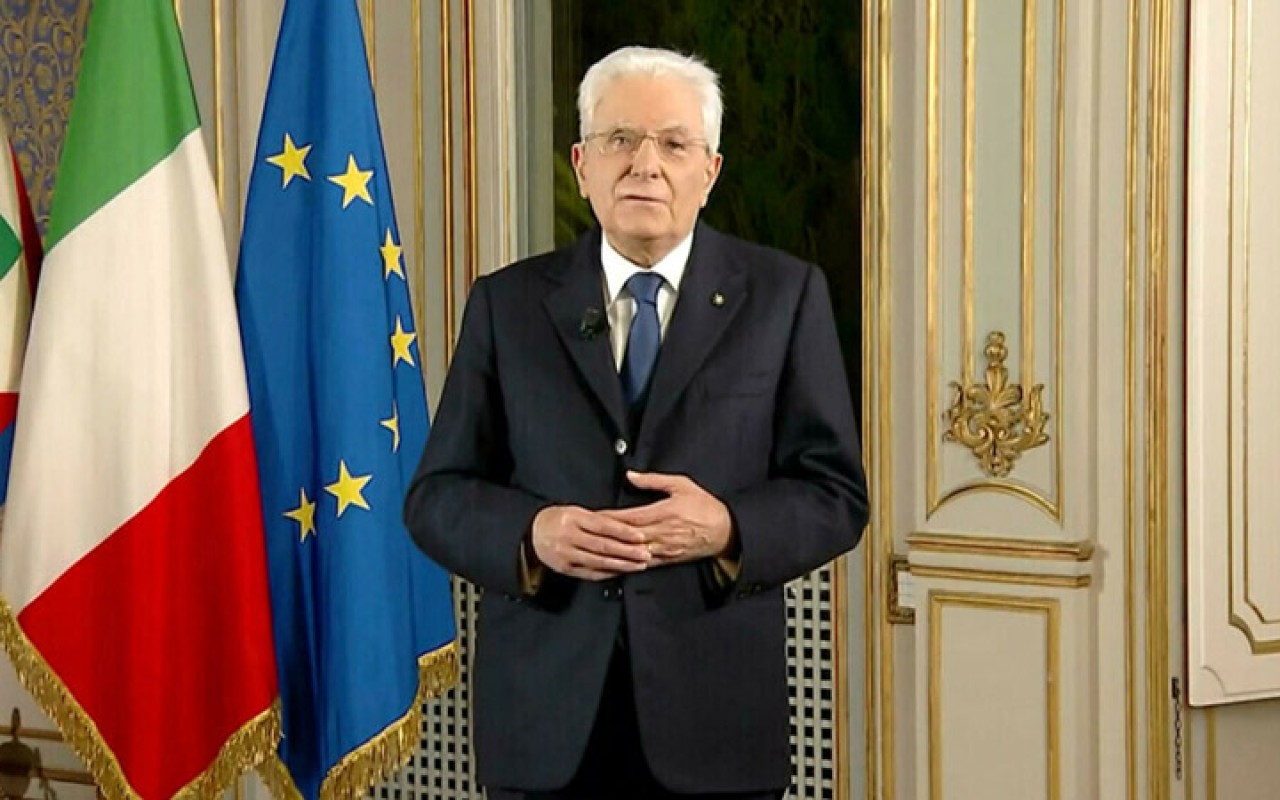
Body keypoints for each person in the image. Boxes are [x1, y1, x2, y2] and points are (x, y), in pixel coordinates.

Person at [405, 45, 868, 800]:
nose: (644, 165)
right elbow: (436, 496)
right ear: (582, 165)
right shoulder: (507, 305)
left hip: (715, 723)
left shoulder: (785, 298)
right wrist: (532, 534)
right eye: (620, 139)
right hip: (544, 726)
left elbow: (836, 495)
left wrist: (727, 528)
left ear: (709, 172)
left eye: (674, 144)